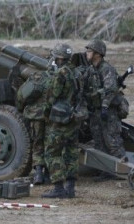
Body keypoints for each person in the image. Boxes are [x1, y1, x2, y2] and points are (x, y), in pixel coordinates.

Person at [41, 44, 81, 198]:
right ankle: (70, 189)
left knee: (52, 152)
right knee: (71, 152)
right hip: (74, 116)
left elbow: (52, 96)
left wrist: (46, 112)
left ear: (59, 58)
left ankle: (58, 189)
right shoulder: (76, 72)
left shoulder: (61, 74)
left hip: (60, 119)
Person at [83, 39, 126, 182]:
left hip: (108, 112)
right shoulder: (90, 70)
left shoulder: (107, 69)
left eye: (89, 51)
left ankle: (123, 171)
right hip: (95, 111)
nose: (87, 53)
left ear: (98, 54)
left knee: (113, 142)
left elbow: (111, 89)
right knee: (99, 142)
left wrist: (105, 106)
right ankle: (106, 170)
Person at [16, 65, 53, 185]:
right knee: (50, 144)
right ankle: (47, 174)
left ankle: (38, 174)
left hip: (36, 116)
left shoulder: (37, 76)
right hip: (51, 117)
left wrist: (20, 108)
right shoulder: (59, 78)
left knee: (37, 144)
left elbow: (22, 94)